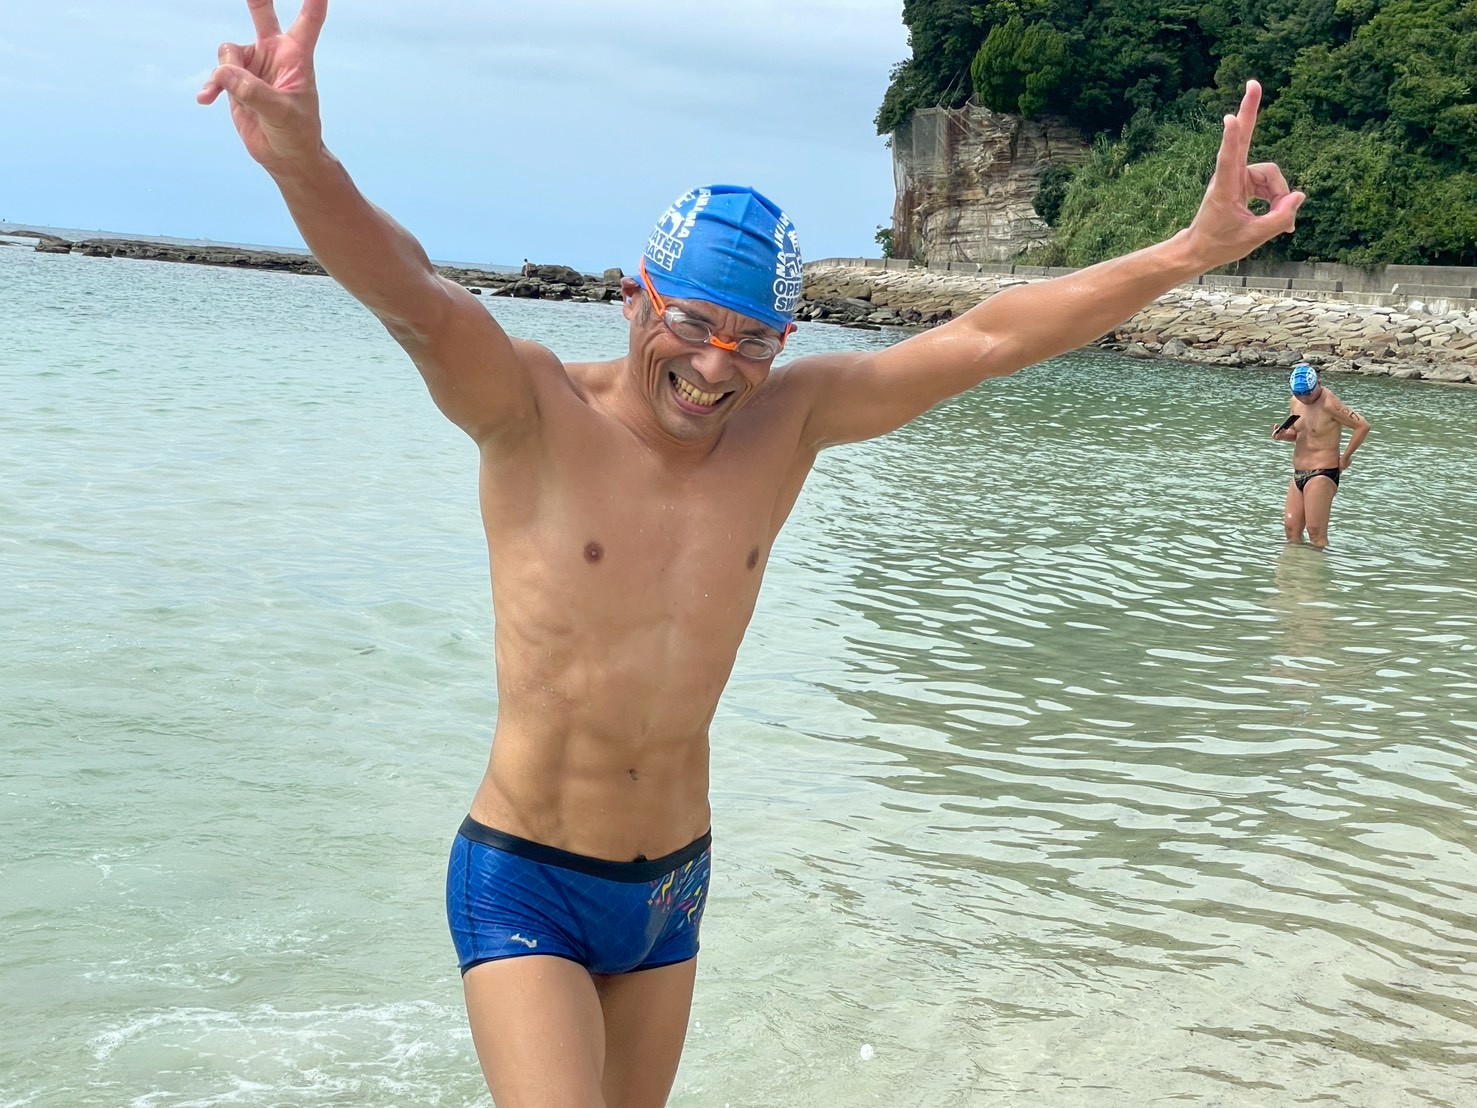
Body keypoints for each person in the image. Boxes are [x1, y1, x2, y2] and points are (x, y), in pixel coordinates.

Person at [198, 1, 1305, 1103]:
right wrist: (302, 160)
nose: (715, 368)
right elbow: (414, 295)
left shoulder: (791, 423)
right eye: (689, 323)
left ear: (784, 342)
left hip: (672, 891)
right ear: (633, 297)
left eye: (751, 341)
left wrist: (1190, 251)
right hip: (529, 875)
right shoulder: (531, 410)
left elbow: (991, 334)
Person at [1271, 364, 1370, 547]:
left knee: (1315, 532)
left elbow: (1362, 426)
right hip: (1298, 473)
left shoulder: (1329, 403)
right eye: (1299, 394)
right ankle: (1295, 565)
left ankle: (1319, 565)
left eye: (1308, 394)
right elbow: (1299, 433)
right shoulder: (1295, 401)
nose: (1304, 398)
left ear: (1319, 383)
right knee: (1291, 530)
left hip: (1322, 472)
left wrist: (1345, 458)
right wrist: (1284, 435)